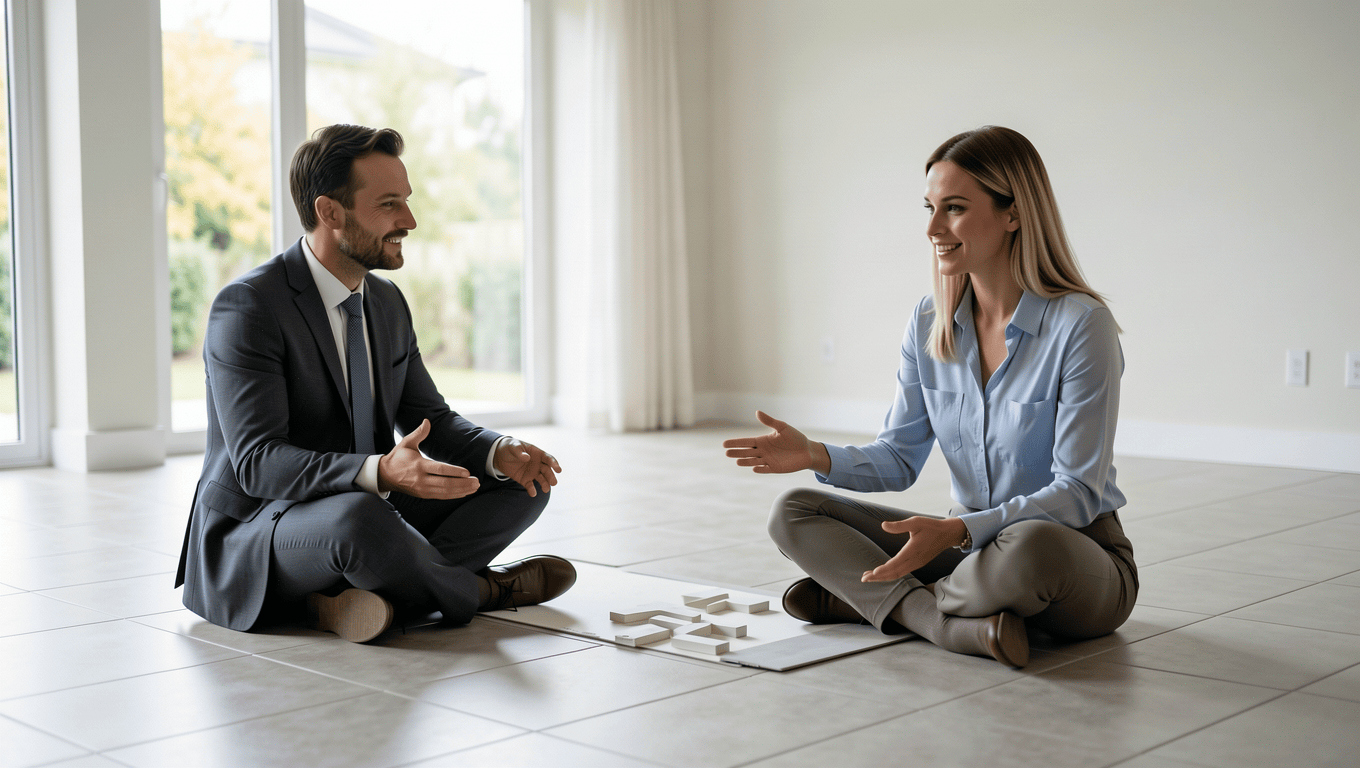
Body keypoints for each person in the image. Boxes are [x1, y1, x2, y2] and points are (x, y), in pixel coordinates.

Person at [723, 126, 1135, 667]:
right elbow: (898, 458)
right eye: (930, 208)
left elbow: (1079, 492)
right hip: (966, 554)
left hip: (1069, 555)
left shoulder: (1082, 325)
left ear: (1014, 213)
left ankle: (872, 604)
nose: (933, 228)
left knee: (1032, 545)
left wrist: (960, 530)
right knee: (794, 511)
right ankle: (943, 623)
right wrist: (814, 456)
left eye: (955, 208)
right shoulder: (928, 322)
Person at [175, 124, 576, 643]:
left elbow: (433, 421)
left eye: (406, 202)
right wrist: (380, 470)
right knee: (360, 521)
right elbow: (258, 463)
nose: (408, 220)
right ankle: (484, 592)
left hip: (368, 508)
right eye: (390, 204)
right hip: (265, 525)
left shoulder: (386, 303)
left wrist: (500, 452)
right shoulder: (250, 306)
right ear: (330, 212)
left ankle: (359, 598)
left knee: (523, 487)